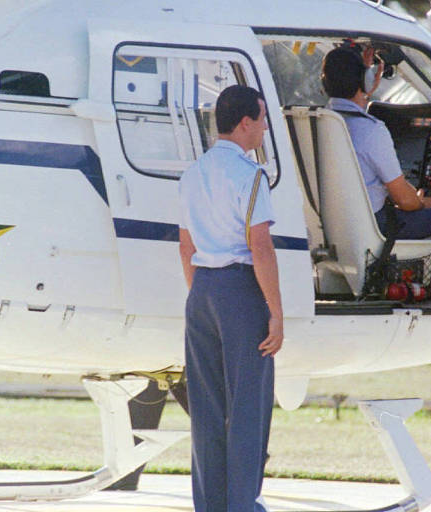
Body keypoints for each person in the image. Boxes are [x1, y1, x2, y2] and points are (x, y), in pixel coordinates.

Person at [178, 84, 283, 512]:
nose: (263, 129)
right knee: (247, 409)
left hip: (201, 290)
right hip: (240, 291)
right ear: (245, 123)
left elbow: (185, 246)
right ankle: (243, 505)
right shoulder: (250, 174)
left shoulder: (191, 174)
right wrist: (275, 313)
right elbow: (260, 247)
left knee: (206, 410)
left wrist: (203, 296)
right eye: (261, 119)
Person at [321, 45, 431, 241]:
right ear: (365, 81)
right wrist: (421, 203)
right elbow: (404, 200)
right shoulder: (371, 130)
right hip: (377, 227)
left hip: (337, 229)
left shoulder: (321, 123)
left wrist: (364, 79)